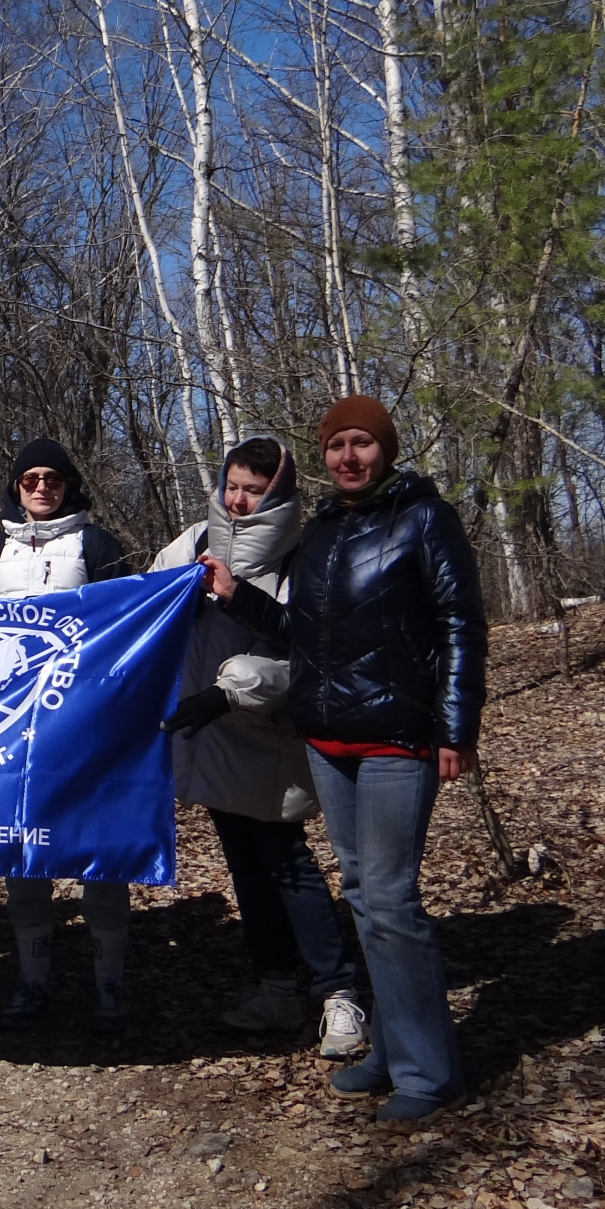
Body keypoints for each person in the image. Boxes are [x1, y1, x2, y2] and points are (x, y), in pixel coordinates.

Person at [202, 396, 487, 1124]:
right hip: (328, 741)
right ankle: (389, 1050)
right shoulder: (325, 530)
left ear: (385, 449)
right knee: (362, 896)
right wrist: (237, 599)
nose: (348, 457)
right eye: (336, 446)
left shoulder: (424, 518)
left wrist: (455, 727)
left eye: (362, 443)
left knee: (391, 900)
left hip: (397, 737)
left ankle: (430, 1072)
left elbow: (460, 623)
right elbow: (303, 631)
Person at [154, 436, 368, 1059]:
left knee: (287, 865)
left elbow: (306, 654)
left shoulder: (302, 554)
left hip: (267, 736)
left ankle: (339, 993)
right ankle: (276, 986)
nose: (240, 500)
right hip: (209, 734)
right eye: (234, 485)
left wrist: (228, 691)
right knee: (245, 866)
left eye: (255, 489)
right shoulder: (195, 538)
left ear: (278, 493)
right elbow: (140, 600)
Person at [0, 437, 132, 1033]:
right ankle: (33, 981)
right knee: (24, 850)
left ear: (70, 485)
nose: (42, 486)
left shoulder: (98, 544)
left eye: (53, 478)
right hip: (17, 731)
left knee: (100, 850)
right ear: (16, 486)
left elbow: (131, 623)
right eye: (30, 477)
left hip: (88, 725)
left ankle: (109, 984)